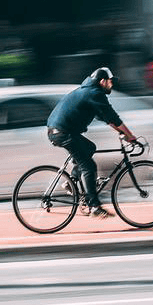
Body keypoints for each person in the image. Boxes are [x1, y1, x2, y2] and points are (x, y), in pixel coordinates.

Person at [46, 67, 138, 219]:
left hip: (61, 131)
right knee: (89, 166)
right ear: (102, 81)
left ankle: (72, 181)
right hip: (62, 133)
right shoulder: (94, 93)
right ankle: (94, 206)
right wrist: (130, 136)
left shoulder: (89, 92)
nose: (112, 85)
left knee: (90, 147)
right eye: (110, 82)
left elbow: (107, 118)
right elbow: (113, 117)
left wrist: (123, 132)